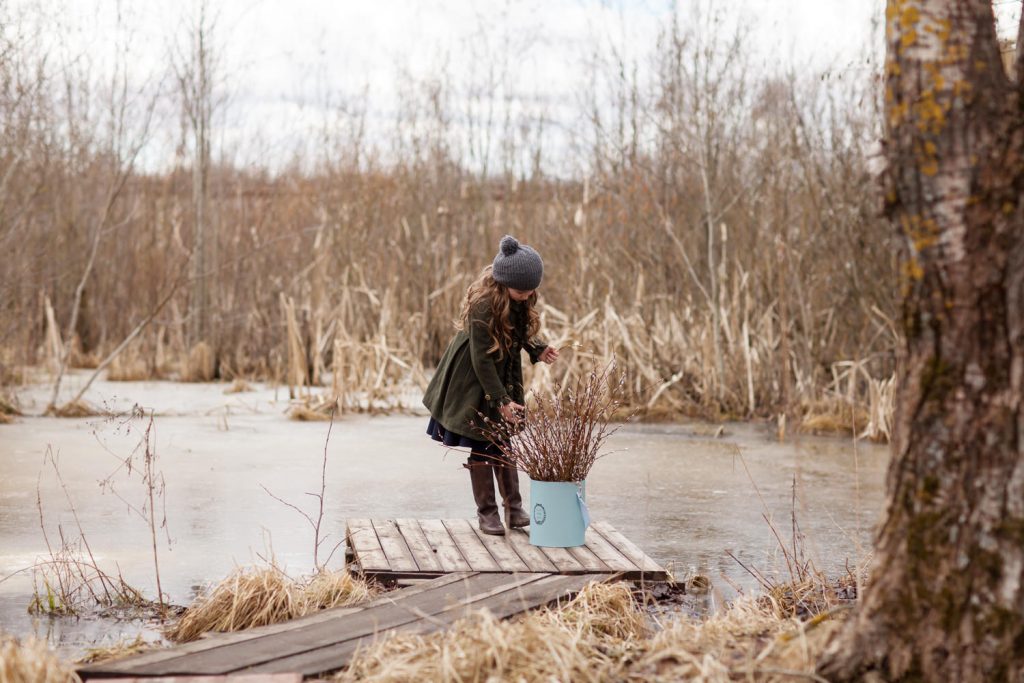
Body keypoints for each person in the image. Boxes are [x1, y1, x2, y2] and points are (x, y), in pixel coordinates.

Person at [423, 234, 559, 535]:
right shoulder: (483, 305)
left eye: (530, 290)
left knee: (504, 442)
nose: (526, 295)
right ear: (504, 282)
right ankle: (487, 514)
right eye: (521, 291)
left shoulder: (520, 296)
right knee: (484, 444)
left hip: (503, 373)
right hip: (473, 378)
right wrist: (501, 401)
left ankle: (514, 509)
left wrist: (537, 348)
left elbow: (521, 330)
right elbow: (481, 360)